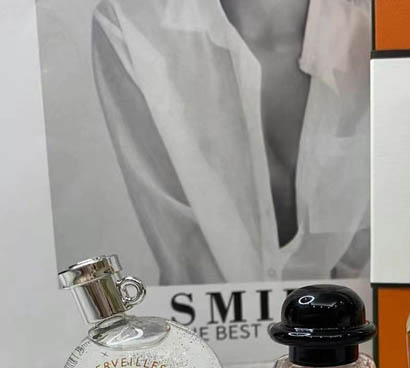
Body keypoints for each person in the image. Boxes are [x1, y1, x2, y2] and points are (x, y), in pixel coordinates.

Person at [92, 0, 371, 285]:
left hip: (352, 311)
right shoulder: (133, 25)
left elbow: (370, 255)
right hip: (203, 311)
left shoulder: (373, 34)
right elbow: (182, 247)